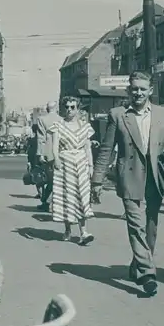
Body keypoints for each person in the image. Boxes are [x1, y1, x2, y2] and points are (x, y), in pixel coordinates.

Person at [92, 71, 164, 297]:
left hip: (155, 178)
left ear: (150, 91)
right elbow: (106, 149)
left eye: (142, 89)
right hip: (129, 175)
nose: (138, 92)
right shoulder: (117, 115)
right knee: (136, 224)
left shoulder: (163, 114)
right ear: (129, 90)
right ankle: (148, 273)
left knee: (151, 227)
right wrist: (97, 180)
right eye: (134, 88)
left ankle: (137, 263)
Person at [50, 95, 95, 245]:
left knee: (82, 194)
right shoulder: (58, 126)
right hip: (65, 162)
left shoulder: (85, 126)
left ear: (78, 109)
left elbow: (88, 148)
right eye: (67, 107)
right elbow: (55, 147)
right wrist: (56, 160)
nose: (69, 110)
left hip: (81, 162)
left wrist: (91, 166)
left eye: (72, 107)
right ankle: (68, 229)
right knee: (68, 195)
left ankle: (84, 232)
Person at [36, 101, 63, 212]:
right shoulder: (62, 120)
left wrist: (40, 154)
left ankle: (46, 202)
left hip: (48, 153)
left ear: (47, 109)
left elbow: (41, 138)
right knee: (58, 180)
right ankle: (49, 202)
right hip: (61, 153)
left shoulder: (42, 120)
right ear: (56, 108)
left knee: (51, 180)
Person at [26, 123, 43, 199]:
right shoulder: (43, 140)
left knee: (36, 177)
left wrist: (29, 161)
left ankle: (40, 193)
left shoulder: (31, 140)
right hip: (42, 159)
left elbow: (30, 152)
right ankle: (44, 193)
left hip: (34, 161)